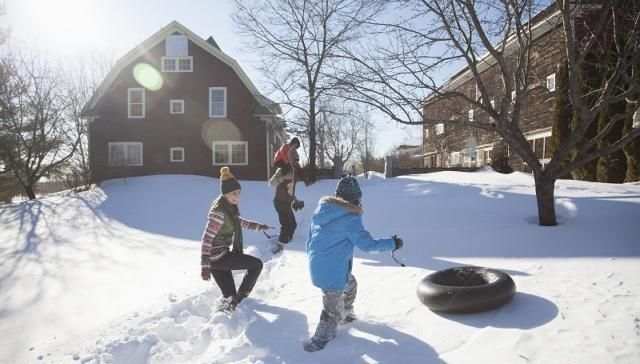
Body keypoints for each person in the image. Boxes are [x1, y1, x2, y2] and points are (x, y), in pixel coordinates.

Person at [303, 175, 404, 352]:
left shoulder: (322, 211)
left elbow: (310, 240)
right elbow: (368, 245)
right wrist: (392, 243)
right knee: (331, 310)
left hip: (319, 264)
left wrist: (315, 259)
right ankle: (318, 343)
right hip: (331, 272)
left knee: (350, 284)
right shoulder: (350, 218)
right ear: (355, 198)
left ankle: (346, 314)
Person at [200, 166, 271, 312]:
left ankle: (227, 310)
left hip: (220, 259)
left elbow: (240, 223)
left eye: (238, 193)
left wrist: (259, 227)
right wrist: (205, 266)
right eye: (233, 193)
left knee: (230, 299)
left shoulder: (229, 210)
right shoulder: (219, 212)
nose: (237, 196)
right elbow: (206, 239)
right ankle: (242, 297)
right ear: (225, 193)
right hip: (217, 258)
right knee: (256, 265)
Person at [271, 178, 297, 254]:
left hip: (284, 203)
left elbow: (290, 193)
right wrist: (283, 180)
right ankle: (281, 245)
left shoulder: (293, 173)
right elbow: (272, 183)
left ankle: (287, 240)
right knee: (286, 224)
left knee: (292, 224)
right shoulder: (285, 172)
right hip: (281, 202)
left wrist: (296, 201)